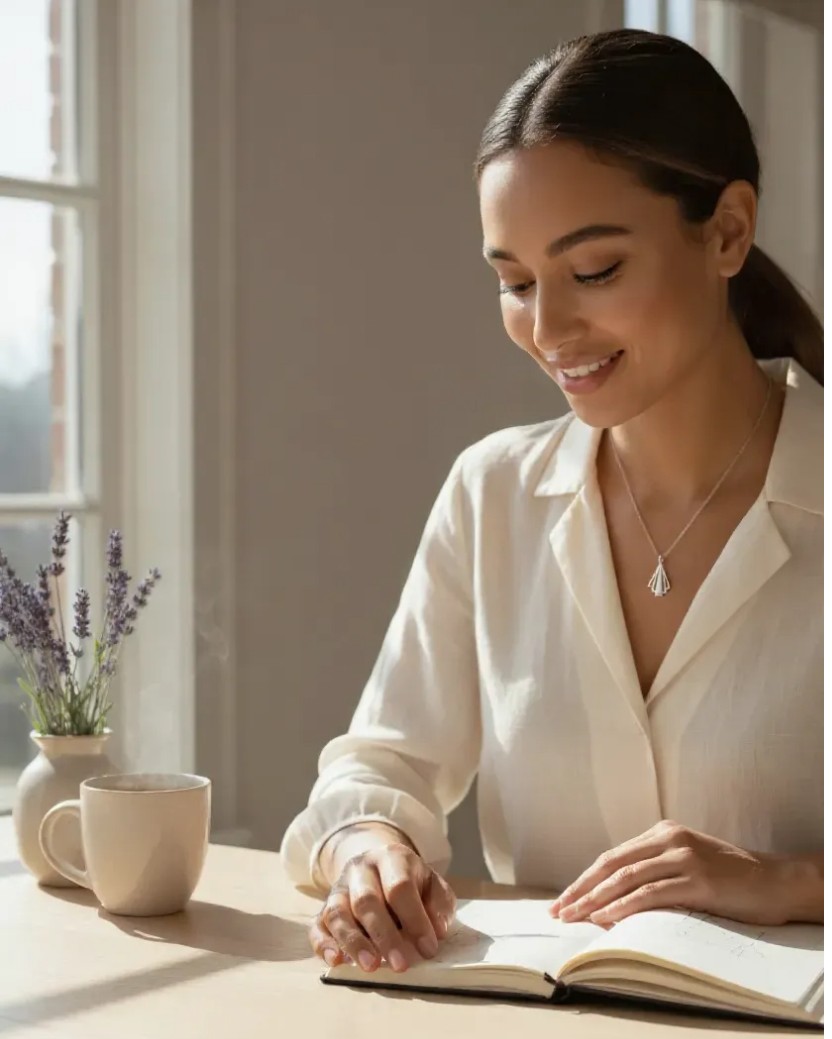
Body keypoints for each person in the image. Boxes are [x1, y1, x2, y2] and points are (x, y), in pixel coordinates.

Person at [280, 29, 824, 974]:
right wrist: (370, 849)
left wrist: (793, 883)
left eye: (595, 271)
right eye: (515, 282)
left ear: (729, 231)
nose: (549, 328)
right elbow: (380, 765)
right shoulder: (492, 494)